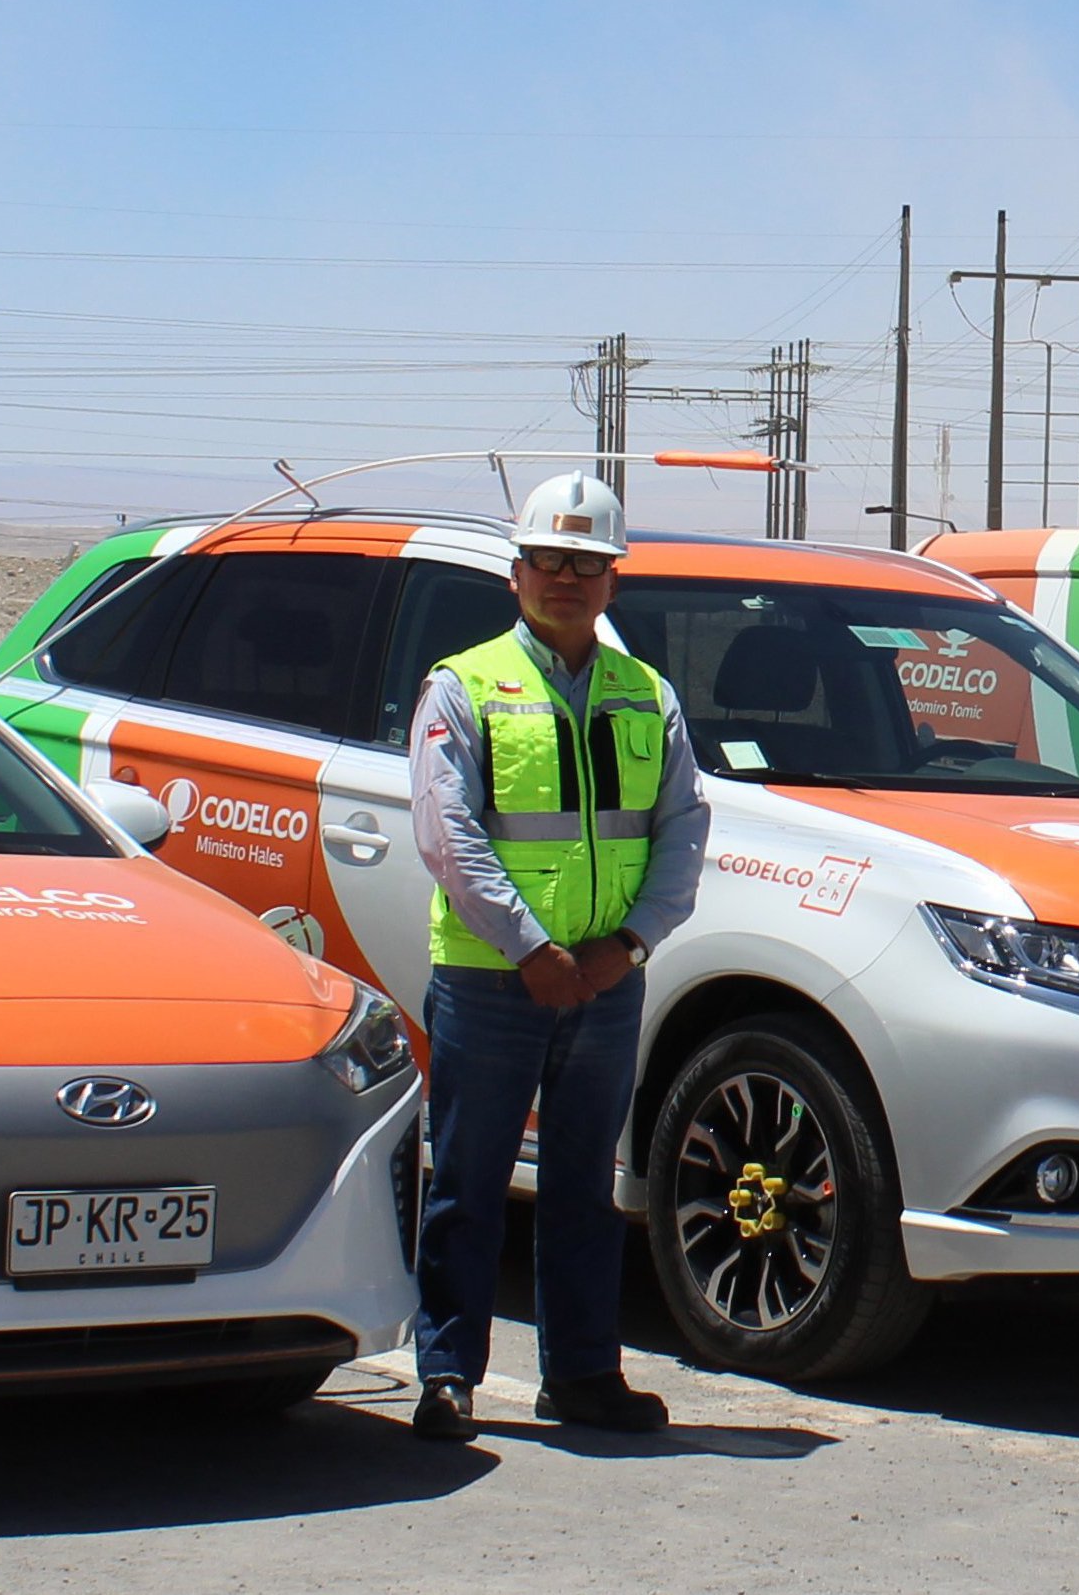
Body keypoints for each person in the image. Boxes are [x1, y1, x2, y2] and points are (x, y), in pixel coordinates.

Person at [404, 473, 711, 1441]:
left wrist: (627, 944)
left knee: (583, 1187)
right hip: (492, 979)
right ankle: (446, 1373)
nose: (567, 578)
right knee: (466, 1178)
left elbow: (682, 826)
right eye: (549, 560)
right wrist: (532, 947)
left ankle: (580, 1372)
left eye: (588, 563)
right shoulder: (464, 686)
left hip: (605, 984)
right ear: (515, 572)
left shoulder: (644, 696)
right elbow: (445, 831)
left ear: (613, 581)